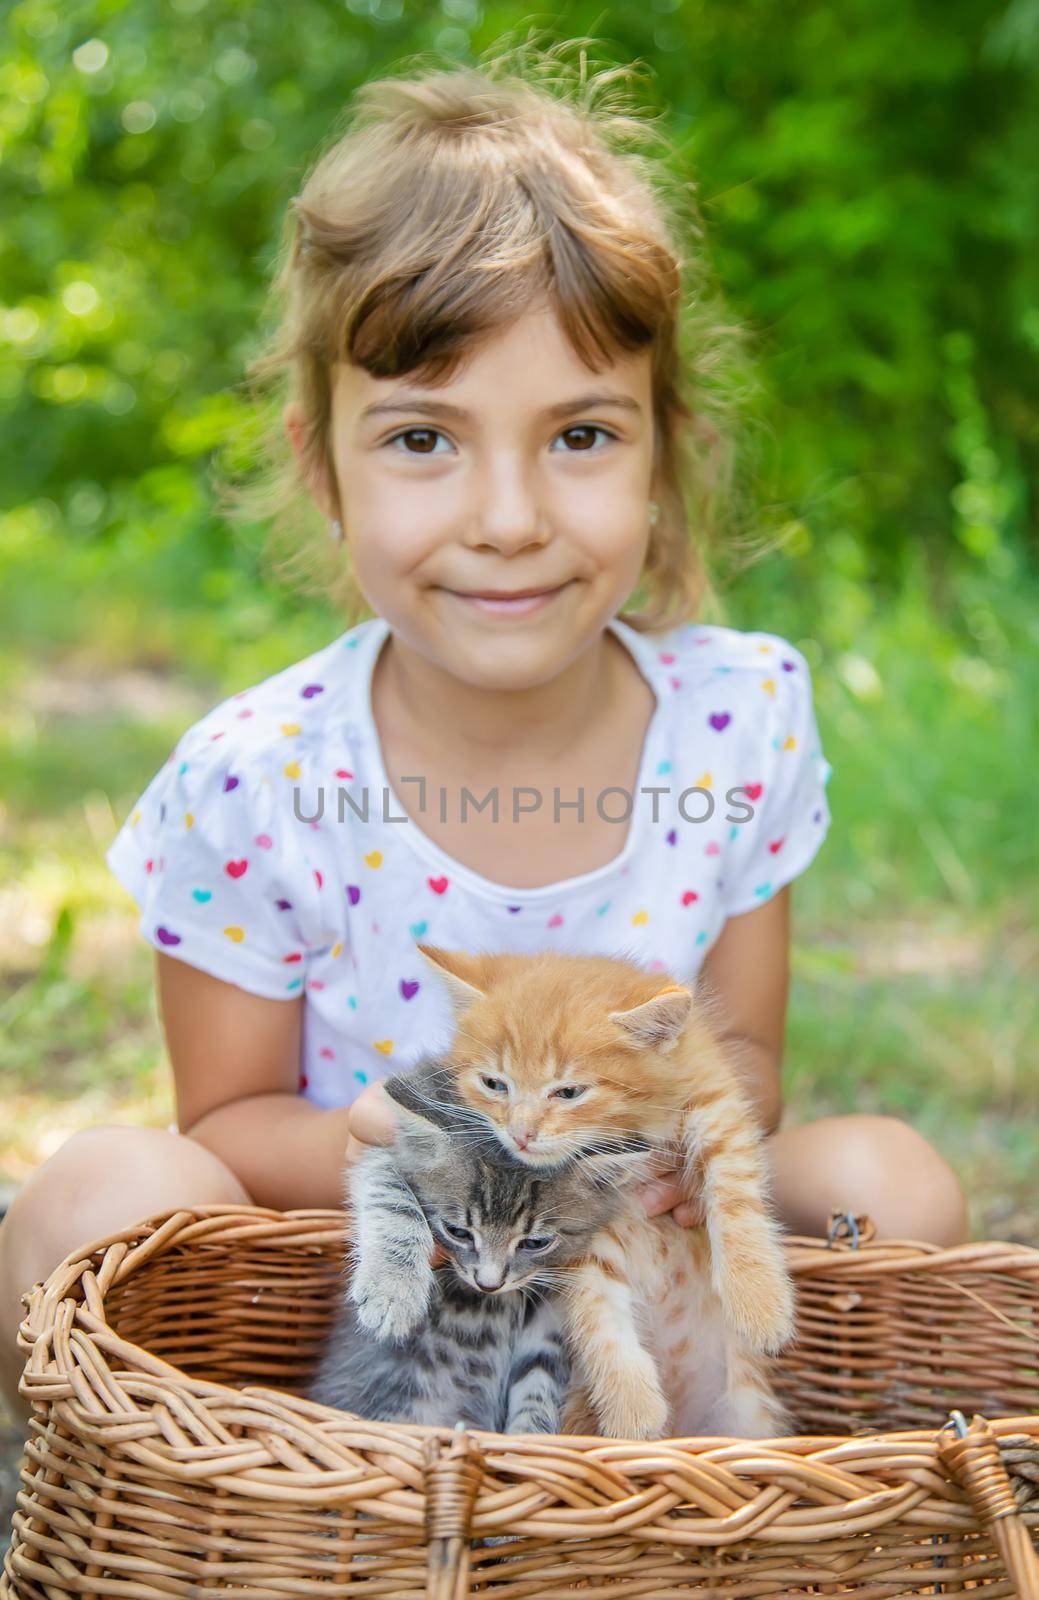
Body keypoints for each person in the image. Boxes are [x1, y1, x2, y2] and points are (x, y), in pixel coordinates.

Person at [0, 53, 968, 1430]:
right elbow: (220, 1130)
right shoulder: (262, 778)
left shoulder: (734, 725)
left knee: (890, 1178)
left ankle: (753, 1515)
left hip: (622, 1283)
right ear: (323, 467)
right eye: (422, 440)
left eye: (579, 434)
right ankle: (183, 1509)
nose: (508, 516)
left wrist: (680, 1142)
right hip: (352, 1304)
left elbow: (742, 1055)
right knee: (102, 1188)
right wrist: (376, 1138)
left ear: (662, 453)